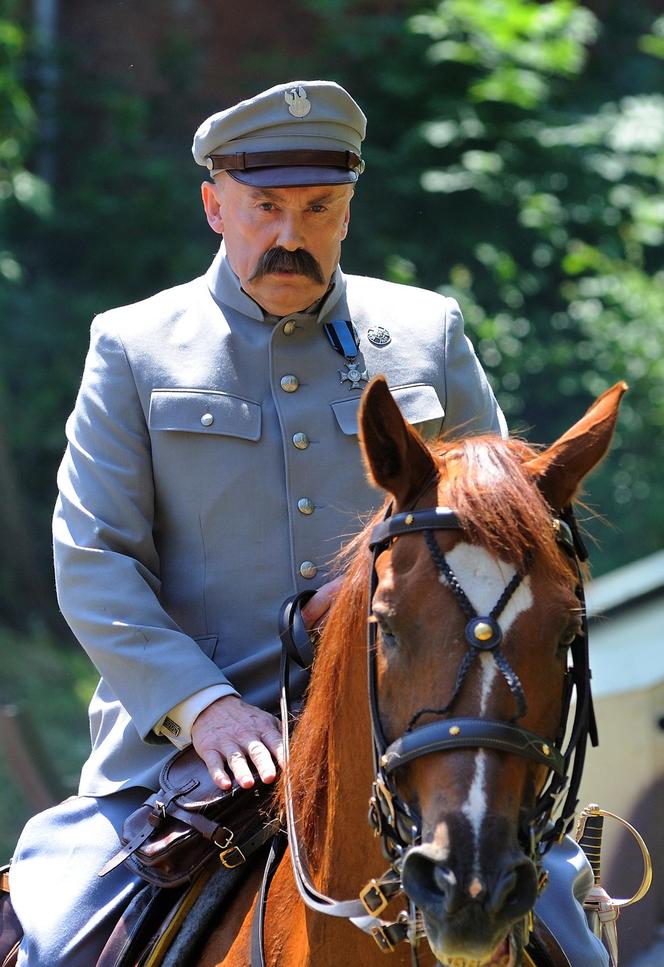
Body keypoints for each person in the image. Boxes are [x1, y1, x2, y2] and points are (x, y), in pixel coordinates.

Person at [6, 80, 605, 967]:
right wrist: (203, 707)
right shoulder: (132, 346)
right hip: (187, 762)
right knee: (53, 946)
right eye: (265, 207)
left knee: (577, 945)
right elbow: (93, 559)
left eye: (317, 208)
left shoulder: (427, 331)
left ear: (347, 211)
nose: (290, 234)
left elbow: (507, 523)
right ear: (217, 206)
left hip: (414, 754)